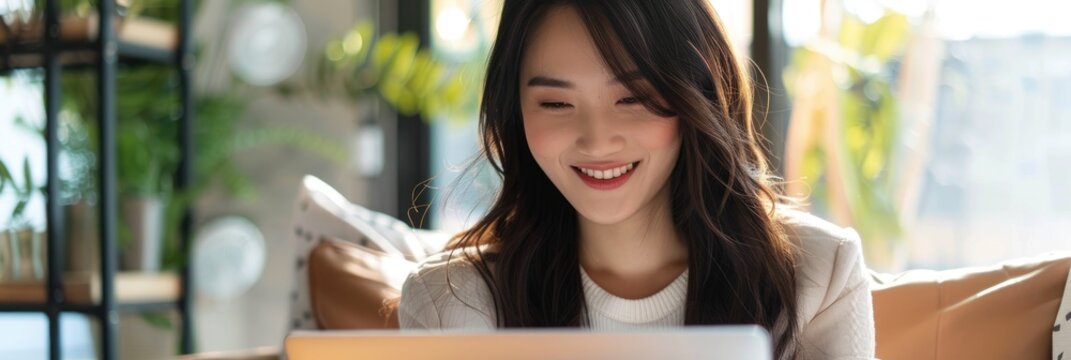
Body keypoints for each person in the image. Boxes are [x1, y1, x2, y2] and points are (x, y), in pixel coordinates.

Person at [398, 1, 875, 359]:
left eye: (632, 98)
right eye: (556, 103)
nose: (597, 141)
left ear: (697, 97)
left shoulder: (819, 276)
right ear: (515, 114)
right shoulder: (451, 305)